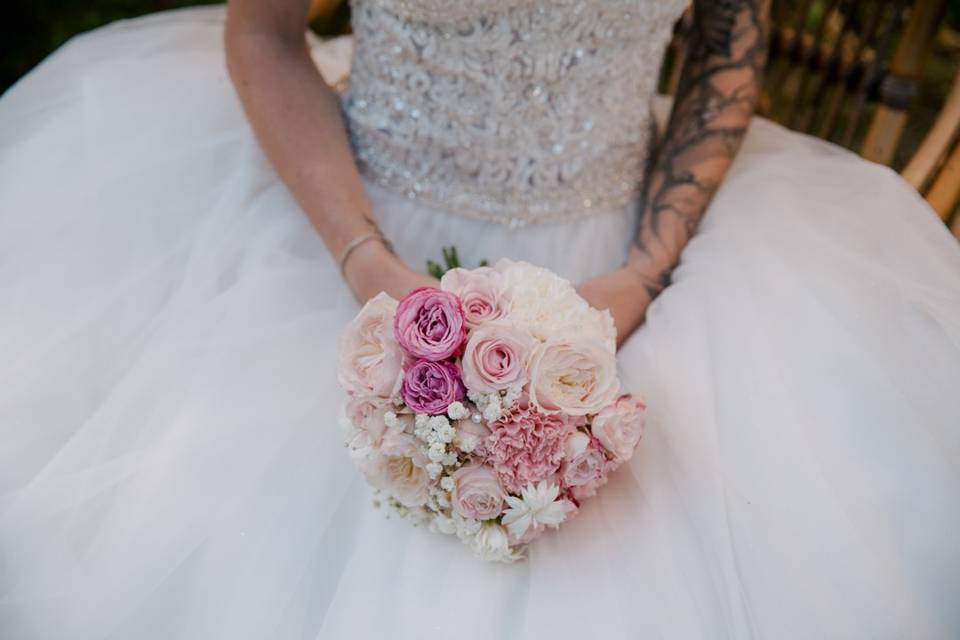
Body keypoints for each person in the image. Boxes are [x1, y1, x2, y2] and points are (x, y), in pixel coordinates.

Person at [1, 0, 958, 637]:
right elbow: (263, 35)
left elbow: (724, 58)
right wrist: (365, 261)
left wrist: (644, 275)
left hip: (619, 260)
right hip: (346, 219)